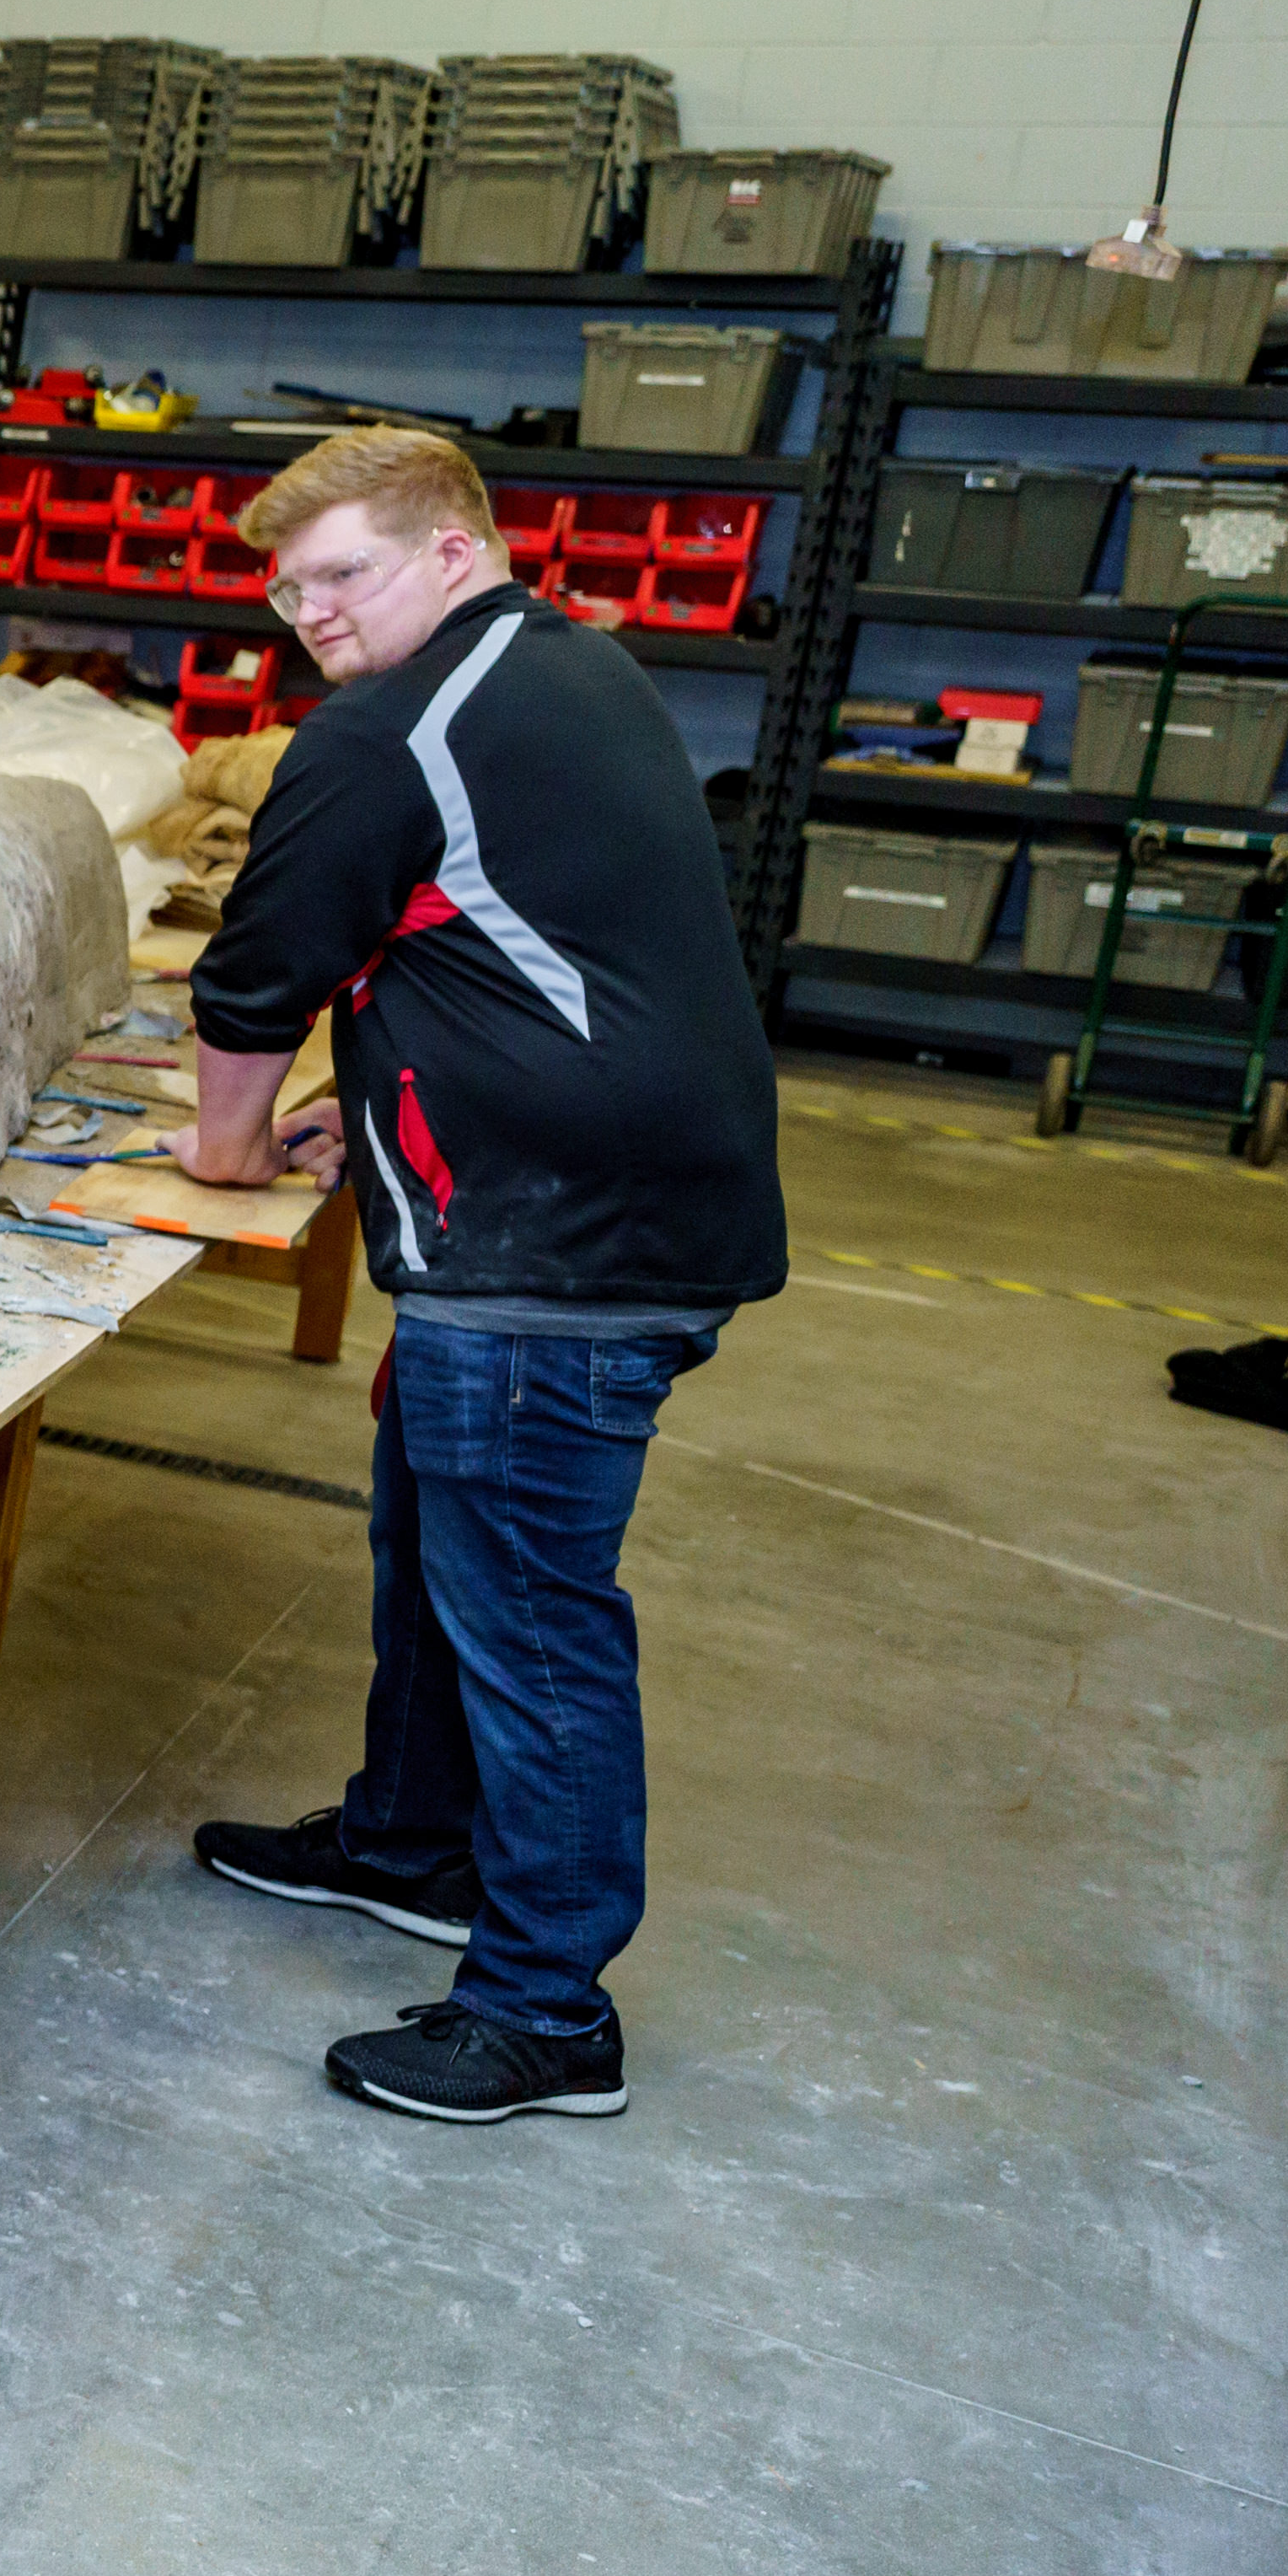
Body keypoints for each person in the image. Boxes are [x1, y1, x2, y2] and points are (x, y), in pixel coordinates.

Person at [173, 426, 781, 2128]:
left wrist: (224, 1145)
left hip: (556, 1250)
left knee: (525, 1614)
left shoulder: (384, 729)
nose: (311, 614)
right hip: (595, 1197)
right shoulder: (567, 669)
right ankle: (413, 1843)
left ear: (454, 550)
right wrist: (369, 1104)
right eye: (288, 592)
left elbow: (254, 976)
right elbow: (513, 937)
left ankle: (541, 2012)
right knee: (439, 1545)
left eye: (343, 574)